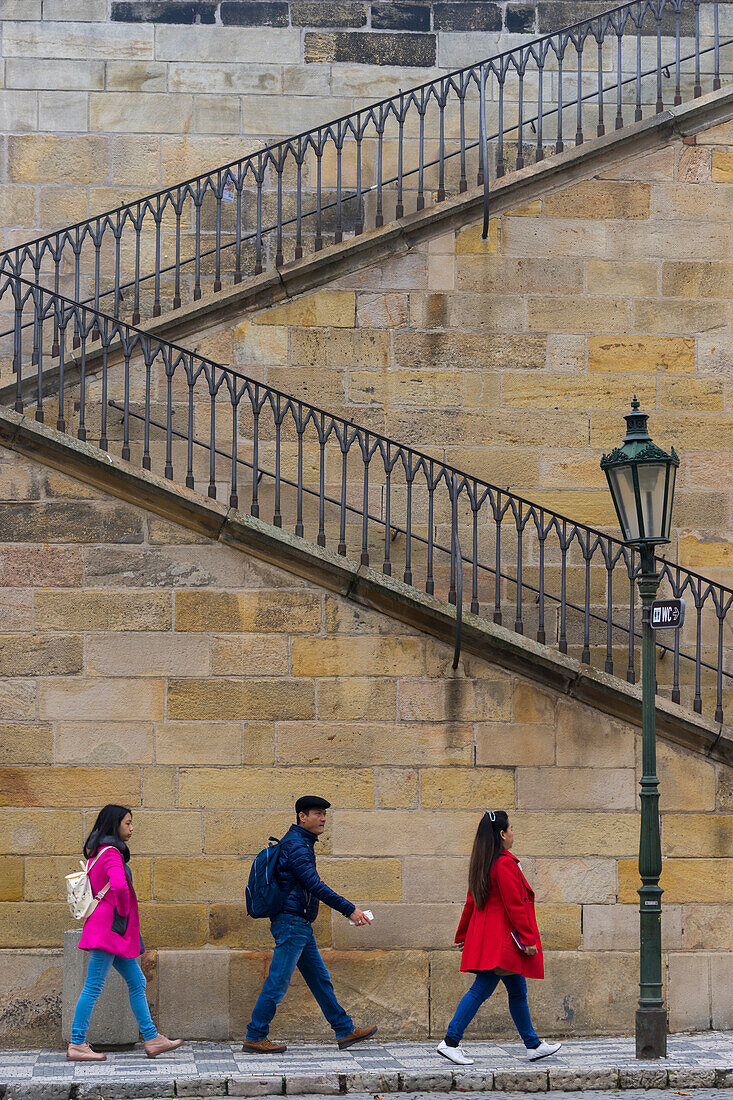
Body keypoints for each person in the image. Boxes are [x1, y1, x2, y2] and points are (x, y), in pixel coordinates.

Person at [242, 795, 377, 1054]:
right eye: (317, 813)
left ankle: (344, 1029)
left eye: (325, 814)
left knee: (319, 979)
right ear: (302, 816)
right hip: (292, 924)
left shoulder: (300, 843)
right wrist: (351, 910)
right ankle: (255, 1035)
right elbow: (314, 885)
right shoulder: (296, 846)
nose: (323, 818)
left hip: (299, 924)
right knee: (278, 981)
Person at [437, 809, 562, 1067]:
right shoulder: (504, 863)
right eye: (511, 829)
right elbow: (515, 904)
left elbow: (471, 902)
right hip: (501, 941)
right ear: (502, 834)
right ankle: (450, 1042)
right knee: (482, 988)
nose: (513, 833)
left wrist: (462, 933)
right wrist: (528, 939)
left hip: (490, 938)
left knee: (517, 990)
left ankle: (533, 1045)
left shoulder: (484, 862)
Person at [67, 804, 184, 1062]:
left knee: (137, 981)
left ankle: (152, 1039)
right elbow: (119, 887)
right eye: (128, 823)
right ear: (115, 824)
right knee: (93, 986)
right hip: (109, 929)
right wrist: (122, 911)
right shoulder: (111, 853)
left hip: (109, 930)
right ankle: (76, 1044)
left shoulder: (100, 851)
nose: (131, 828)